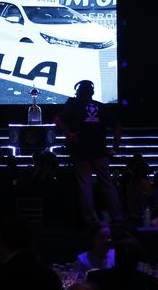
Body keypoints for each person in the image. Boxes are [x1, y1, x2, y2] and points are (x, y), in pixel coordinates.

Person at [54, 79, 123, 226]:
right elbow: (117, 127)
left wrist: (69, 134)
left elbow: (58, 120)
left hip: (81, 151)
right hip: (100, 151)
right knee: (108, 184)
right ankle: (117, 217)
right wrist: (115, 148)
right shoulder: (102, 107)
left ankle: (91, 220)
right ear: (92, 92)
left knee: (85, 185)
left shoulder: (73, 104)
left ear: (78, 91)